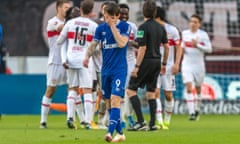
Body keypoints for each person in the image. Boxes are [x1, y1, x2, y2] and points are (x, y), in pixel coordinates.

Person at [83, 2, 130, 142]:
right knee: (108, 102)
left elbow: (122, 43)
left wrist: (113, 27)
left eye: (108, 16)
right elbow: (93, 45)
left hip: (119, 70)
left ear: (116, 16)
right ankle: (120, 133)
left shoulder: (124, 26)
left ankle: (110, 132)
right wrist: (86, 56)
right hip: (105, 70)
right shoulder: (100, 28)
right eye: (104, 16)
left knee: (116, 100)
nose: (105, 19)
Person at [127, 0, 169, 131]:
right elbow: (167, 47)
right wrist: (164, 64)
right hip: (157, 61)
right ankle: (152, 124)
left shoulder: (142, 27)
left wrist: (137, 66)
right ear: (155, 12)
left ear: (144, 12)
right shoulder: (161, 27)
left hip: (145, 61)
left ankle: (140, 122)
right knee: (151, 92)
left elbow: (142, 48)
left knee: (131, 90)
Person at [57, 0, 98, 129]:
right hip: (85, 60)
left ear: (80, 9)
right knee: (87, 91)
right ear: (91, 11)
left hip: (71, 60)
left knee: (73, 89)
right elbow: (96, 47)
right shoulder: (93, 26)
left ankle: (70, 117)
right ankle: (87, 121)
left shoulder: (70, 23)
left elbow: (59, 41)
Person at [40, 0, 71, 129]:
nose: (68, 10)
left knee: (73, 90)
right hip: (55, 62)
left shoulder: (71, 23)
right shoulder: (53, 22)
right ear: (58, 8)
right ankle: (43, 121)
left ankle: (72, 120)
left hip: (69, 62)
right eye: (66, 7)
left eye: (70, 8)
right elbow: (61, 29)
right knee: (50, 90)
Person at [154, 6, 182, 129]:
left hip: (169, 67)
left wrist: (177, 63)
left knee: (168, 94)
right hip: (154, 65)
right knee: (155, 92)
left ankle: (167, 119)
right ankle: (159, 121)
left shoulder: (172, 30)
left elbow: (179, 47)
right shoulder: (151, 28)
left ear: (158, 16)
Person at [181, 14, 212, 121]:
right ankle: (192, 113)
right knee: (189, 87)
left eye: (195, 22)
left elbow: (209, 49)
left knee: (198, 89)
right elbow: (181, 47)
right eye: (191, 21)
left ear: (199, 24)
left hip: (199, 65)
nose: (192, 24)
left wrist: (197, 45)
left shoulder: (203, 35)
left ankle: (197, 108)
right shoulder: (184, 34)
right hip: (187, 64)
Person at [118, 3, 138, 129]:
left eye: (126, 14)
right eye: (122, 14)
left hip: (131, 62)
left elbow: (138, 43)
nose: (124, 16)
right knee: (119, 93)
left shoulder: (133, 27)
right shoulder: (114, 26)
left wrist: (131, 43)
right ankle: (120, 118)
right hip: (118, 62)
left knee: (130, 91)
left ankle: (129, 115)